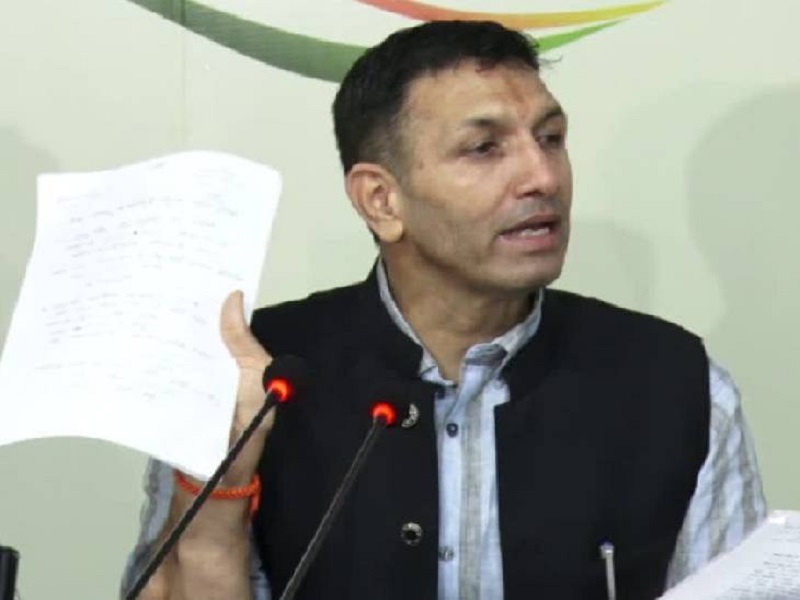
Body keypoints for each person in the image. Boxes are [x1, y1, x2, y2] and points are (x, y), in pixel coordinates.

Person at [123, 20, 766, 600]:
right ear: (381, 201)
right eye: (484, 148)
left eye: (551, 138)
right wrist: (218, 492)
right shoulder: (258, 379)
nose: (543, 176)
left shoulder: (677, 385)